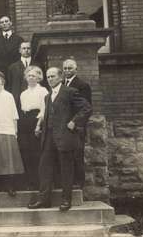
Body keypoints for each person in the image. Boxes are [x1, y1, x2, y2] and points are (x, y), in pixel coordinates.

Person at [28, 67, 92, 211]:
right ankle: (44, 200)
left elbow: (87, 108)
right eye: (48, 77)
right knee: (44, 167)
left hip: (65, 136)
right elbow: (48, 115)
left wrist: (74, 122)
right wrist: (40, 127)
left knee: (66, 169)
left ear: (60, 77)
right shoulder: (47, 96)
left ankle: (66, 200)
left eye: (53, 76)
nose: (50, 79)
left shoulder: (70, 92)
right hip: (49, 136)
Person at [62, 58, 92, 189]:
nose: (67, 71)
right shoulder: (61, 83)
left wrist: (75, 121)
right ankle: (68, 181)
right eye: (65, 68)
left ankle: (79, 183)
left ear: (76, 69)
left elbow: (87, 108)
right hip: (64, 125)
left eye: (70, 68)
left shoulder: (82, 85)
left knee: (77, 154)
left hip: (76, 126)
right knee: (66, 154)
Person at [18, 66, 48, 190]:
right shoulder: (23, 93)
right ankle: (29, 182)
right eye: (29, 75)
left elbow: (43, 109)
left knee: (37, 153)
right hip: (25, 121)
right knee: (26, 151)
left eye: (34, 75)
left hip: (36, 121)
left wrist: (38, 126)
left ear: (39, 77)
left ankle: (39, 182)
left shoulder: (43, 91)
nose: (31, 78)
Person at [7, 41, 32, 111]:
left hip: (33, 100)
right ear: (20, 50)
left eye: (28, 48)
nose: (26, 50)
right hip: (17, 102)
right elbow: (9, 86)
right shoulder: (12, 67)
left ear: (31, 50)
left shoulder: (38, 65)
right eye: (24, 48)